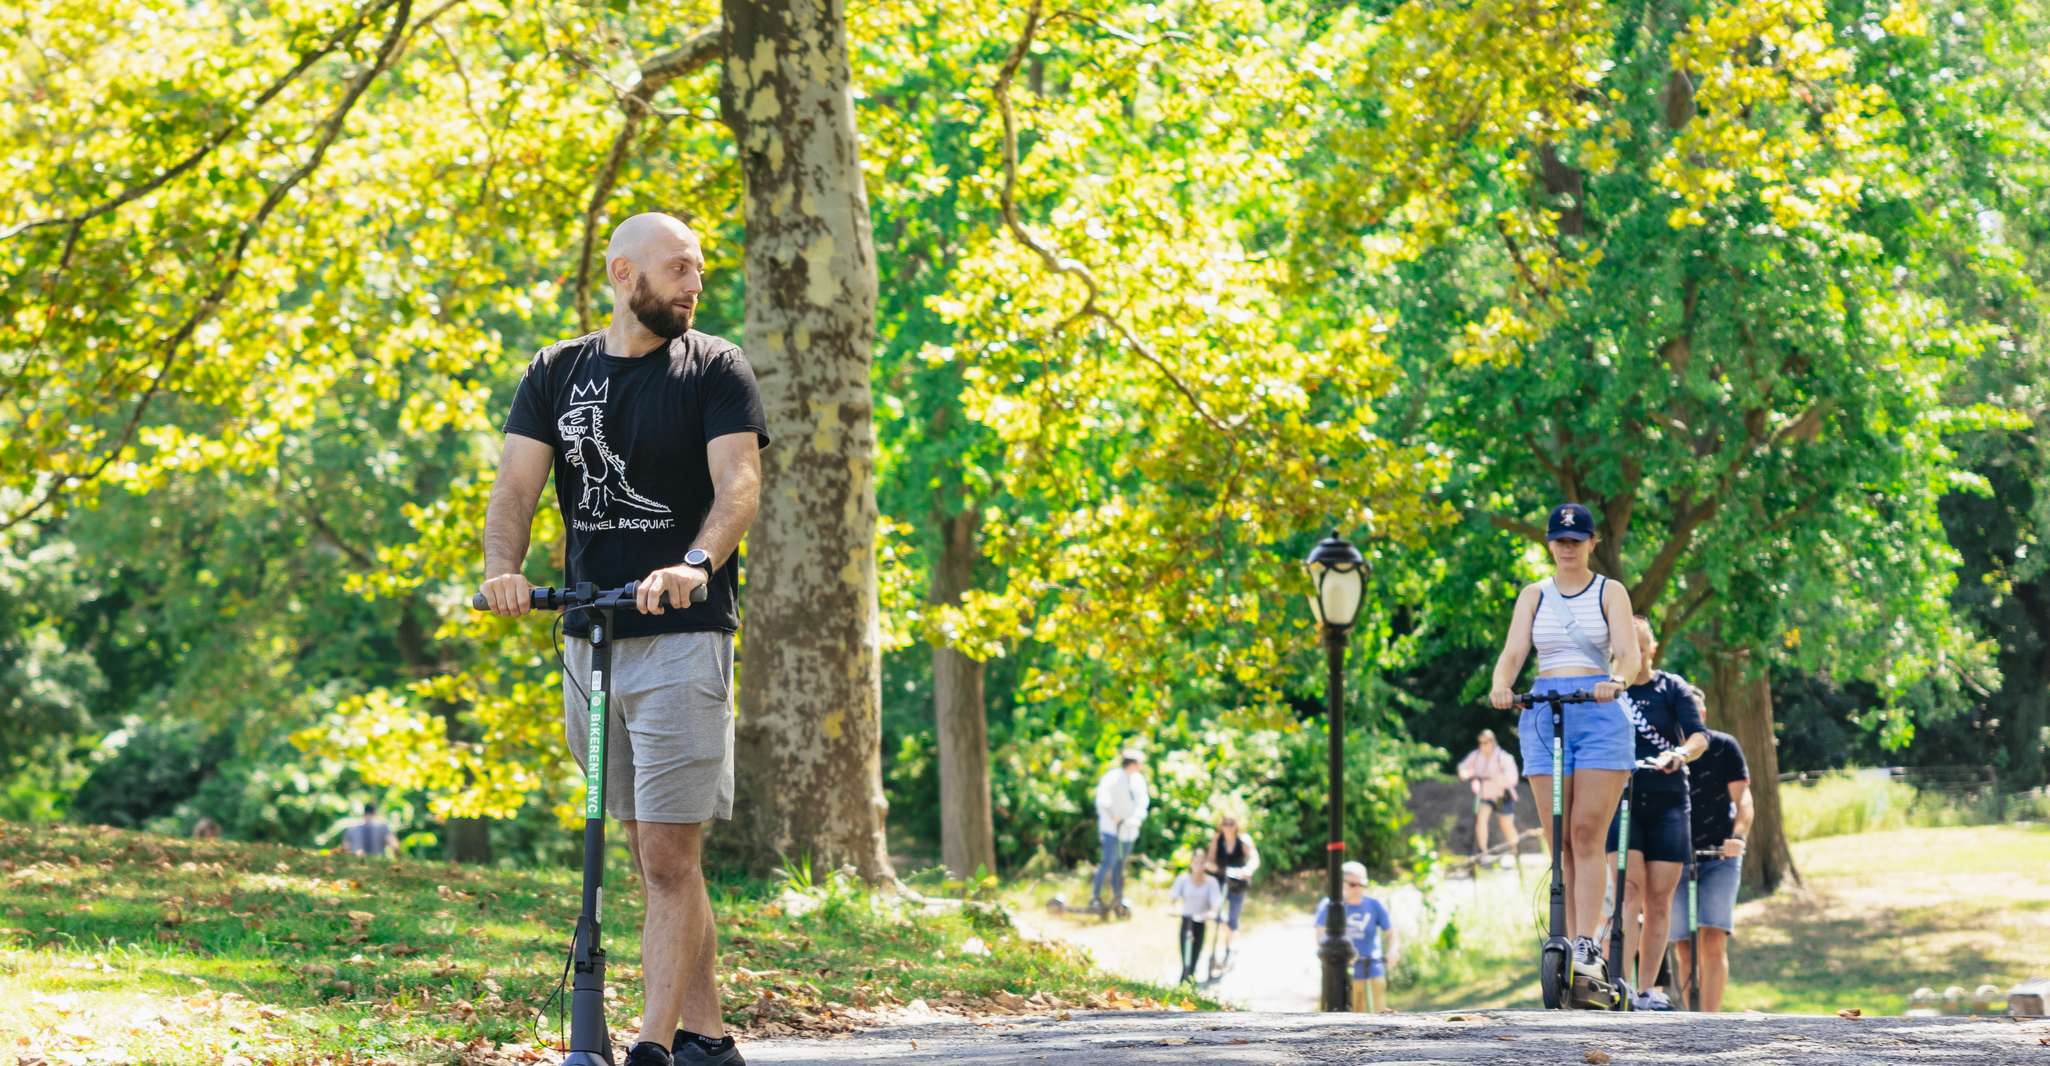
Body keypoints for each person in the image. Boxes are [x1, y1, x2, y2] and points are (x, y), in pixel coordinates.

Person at [479, 212, 767, 1066]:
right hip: (591, 636)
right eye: (678, 268)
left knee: (670, 852)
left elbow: (740, 482)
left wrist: (694, 563)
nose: (694, 285)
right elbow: (516, 486)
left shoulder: (715, 366)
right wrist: (502, 569)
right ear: (622, 273)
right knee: (648, 851)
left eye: (699, 271)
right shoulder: (555, 372)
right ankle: (707, 1038)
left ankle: (649, 1046)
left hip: (682, 635)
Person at [1488, 502, 1641, 987]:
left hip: (1597, 708)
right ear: (1550, 544)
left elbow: (1629, 654)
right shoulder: (1534, 595)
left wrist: (1616, 681)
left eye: (1577, 540)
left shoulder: (1609, 592)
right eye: (1560, 540)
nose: (1568, 547)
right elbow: (1514, 651)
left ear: (1592, 543)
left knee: (1585, 831)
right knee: (1559, 840)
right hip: (1544, 710)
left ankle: (1587, 941)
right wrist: (1501, 686)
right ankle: (1568, 940)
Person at [1601, 616, 1708, 1010]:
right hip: (1621, 799)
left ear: (1651, 650)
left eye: (1640, 647)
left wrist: (1678, 754)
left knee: (1659, 899)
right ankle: (1620, 986)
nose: (1634, 655)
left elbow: (1699, 736)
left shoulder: (1671, 688)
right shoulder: (1607, 691)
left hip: (1667, 799)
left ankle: (1647, 989)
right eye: (1624, 648)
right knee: (1628, 892)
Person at [1669, 728, 1753, 1013]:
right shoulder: (1664, 748)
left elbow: (1744, 799)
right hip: (1676, 857)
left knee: (1713, 938)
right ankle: (1692, 1019)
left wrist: (1738, 838)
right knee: (1684, 946)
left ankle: (1711, 1019)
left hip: (1719, 856)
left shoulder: (1725, 746)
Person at [1313, 861, 1397, 1012]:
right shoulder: (1330, 906)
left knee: (1379, 1016)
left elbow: (1391, 933)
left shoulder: (1374, 905)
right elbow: (1321, 936)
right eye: (1353, 884)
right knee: (1351, 1018)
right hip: (1343, 975)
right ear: (1341, 883)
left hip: (1373, 970)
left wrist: (1393, 951)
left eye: (1362, 884)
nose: (1358, 889)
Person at [1201, 814, 1260, 978]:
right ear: (1221, 825)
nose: (1228, 826)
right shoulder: (1217, 840)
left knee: (1233, 917)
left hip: (1237, 883)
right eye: (1225, 823)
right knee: (1217, 914)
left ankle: (1230, 950)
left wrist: (1247, 870)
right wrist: (1211, 866)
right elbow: (1209, 859)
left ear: (1236, 825)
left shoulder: (1243, 840)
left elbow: (1254, 858)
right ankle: (1233, 939)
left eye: (1231, 823)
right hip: (1220, 881)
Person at [1090, 752, 1149, 912]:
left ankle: (1117, 897)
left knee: (1120, 864)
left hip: (1128, 829)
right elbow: (1102, 799)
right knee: (1107, 862)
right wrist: (1112, 815)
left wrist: (1136, 819)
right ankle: (1095, 897)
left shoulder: (1138, 781)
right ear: (1132, 763)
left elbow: (1142, 803)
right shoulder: (1112, 777)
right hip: (1111, 828)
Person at [1456, 730, 1521, 869]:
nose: (1482, 745)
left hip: (1501, 796)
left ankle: (1514, 851)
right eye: (1480, 743)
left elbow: (1513, 778)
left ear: (1492, 742)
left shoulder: (1503, 757)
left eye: (1485, 742)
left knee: (1506, 824)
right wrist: (1465, 773)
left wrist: (1497, 778)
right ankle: (1483, 853)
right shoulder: (1476, 755)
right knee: (1481, 819)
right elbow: (1463, 767)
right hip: (1485, 795)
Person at [1168, 848, 1224, 985]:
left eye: (1202, 862)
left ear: (1206, 864)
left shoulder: (1211, 882)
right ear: (1191, 863)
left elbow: (1215, 904)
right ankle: (1185, 980)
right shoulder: (1182, 879)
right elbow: (1173, 900)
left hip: (1200, 920)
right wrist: (1173, 909)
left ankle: (1189, 981)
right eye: (1196, 862)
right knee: (1185, 956)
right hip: (1186, 919)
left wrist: (1211, 913)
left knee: (1194, 956)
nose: (1199, 866)